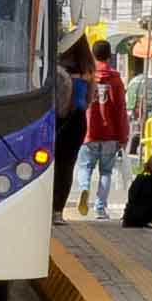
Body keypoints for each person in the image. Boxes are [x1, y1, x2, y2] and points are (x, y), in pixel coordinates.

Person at [74, 50, 130, 217]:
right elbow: (120, 109)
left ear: (93, 55)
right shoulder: (116, 80)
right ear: (108, 56)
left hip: (88, 131)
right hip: (110, 134)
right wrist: (123, 136)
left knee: (85, 167)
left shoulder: (87, 76)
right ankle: (100, 208)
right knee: (106, 171)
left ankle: (84, 188)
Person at [53, 38, 92, 205]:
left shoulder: (57, 68)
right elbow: (89, 99)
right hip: (78, 121)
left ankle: (48, 205)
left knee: (51, 166)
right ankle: (58, 210)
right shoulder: (88, 70)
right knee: (67, 166)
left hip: (57, 120)